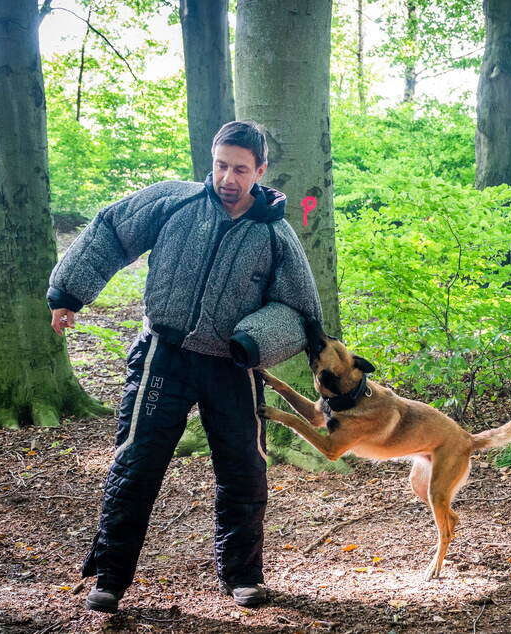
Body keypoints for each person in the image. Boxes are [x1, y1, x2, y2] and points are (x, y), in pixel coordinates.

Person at [47, 121, 323, 613]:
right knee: (136, 464)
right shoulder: (172, 201)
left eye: (240, 169)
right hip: (162, 358)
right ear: (211, 162)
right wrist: (69, 294)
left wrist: (252, 341)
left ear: (260, 171)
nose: (227, 178)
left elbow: (298, 311)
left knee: (244, 471)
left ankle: (243, 576)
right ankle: (110, 578)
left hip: (231, 367)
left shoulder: (276, 234)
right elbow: (111, 229)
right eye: (220, 166)